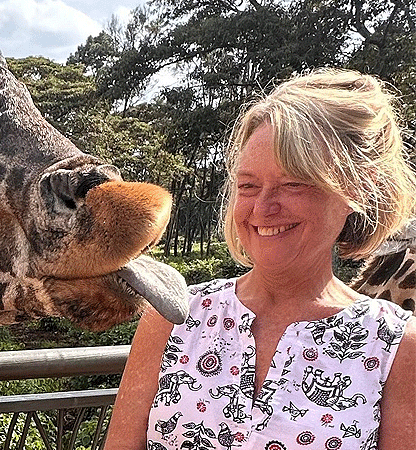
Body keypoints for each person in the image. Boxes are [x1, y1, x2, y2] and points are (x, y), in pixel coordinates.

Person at [104, 68, 416, 450]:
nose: (263, 208)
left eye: (293, 184)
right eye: (249, 186)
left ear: (355, 192)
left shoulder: (398, 346)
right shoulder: (171, 317)